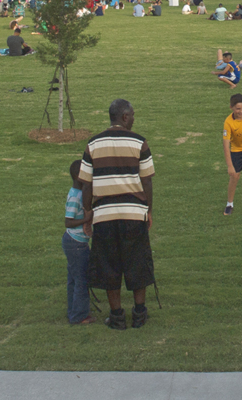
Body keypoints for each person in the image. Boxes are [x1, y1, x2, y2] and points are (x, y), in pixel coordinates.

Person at [80, 99, 155, 330]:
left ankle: (117, 316)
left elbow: (86, 184)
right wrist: (148, 211)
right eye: (132, 115)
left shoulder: (93, 144)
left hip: (104, 217)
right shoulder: (139, 143)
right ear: (124, 117)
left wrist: (88, 213)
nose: (134, 118)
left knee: (108, 266)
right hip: (133, 215)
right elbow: (147, 181)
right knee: (137, 263)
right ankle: (140, 314)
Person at [62, 159, 94, 325]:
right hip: (76, 244)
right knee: (81, 279)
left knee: (74, 278)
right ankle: (79, 315)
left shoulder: (80, 193)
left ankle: (73, 310)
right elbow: (68, 221)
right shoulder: (76, 196)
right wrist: (86, 219)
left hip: (77, 242)